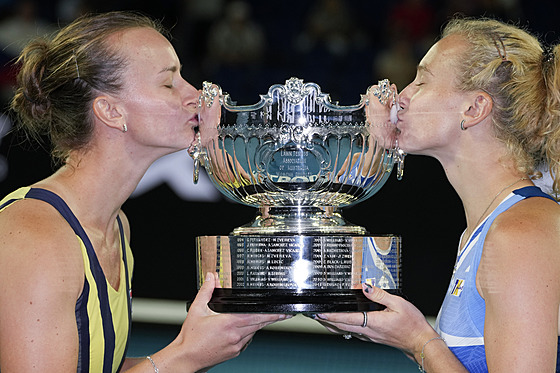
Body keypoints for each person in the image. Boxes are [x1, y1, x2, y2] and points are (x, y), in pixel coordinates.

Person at [0, 11, 289, 373]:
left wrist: (196, 349)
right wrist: (184, 356)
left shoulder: (115, 224)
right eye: (169, 83)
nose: (195, 95)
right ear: (110, 110)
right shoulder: (36, 236)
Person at [314, 17, 560, 372]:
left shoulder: (521, 233)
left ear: (474, 109)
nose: (401, 96)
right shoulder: (486, 229)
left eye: (422, 80)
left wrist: (418, 341)